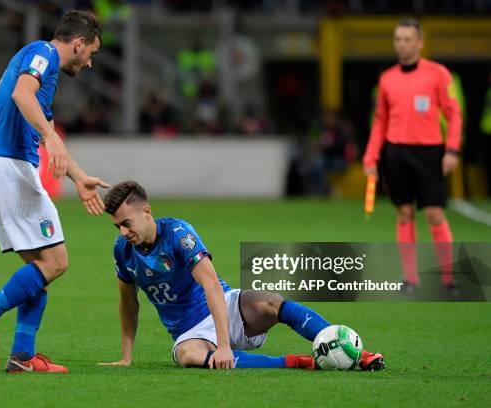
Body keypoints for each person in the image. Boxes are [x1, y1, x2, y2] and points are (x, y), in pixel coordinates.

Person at [0, 10, 110, 373]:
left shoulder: (47, 76)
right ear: (78, 44)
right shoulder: (41, 54)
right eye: (91, 53)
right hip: (11, 168)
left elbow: (37, 113)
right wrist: (50, 136)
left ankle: (23, 356)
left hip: (2, 167)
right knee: (56, 262)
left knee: (40, 268)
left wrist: (79, 177)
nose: (90, 63)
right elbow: (22, 93)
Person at [99, 181, 385, 370]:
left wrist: (224, 345)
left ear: (146, 212)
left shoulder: (178, 234)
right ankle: (299, 362)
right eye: (117, 227)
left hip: (225, 304)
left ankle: (358, 354)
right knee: (188, 356)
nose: (124, 232)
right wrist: (126, 357)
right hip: (189, 332)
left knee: (271, 302)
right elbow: (128, 304)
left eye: (126, 223)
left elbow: (211, 285)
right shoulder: (122, 250)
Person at [363, 19, 462, 293]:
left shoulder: (438, 74)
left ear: (419, 42)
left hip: (430, 152)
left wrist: (452, 149)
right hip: (396, 153)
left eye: (407, 39)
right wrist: (370, 158)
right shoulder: (387, 79)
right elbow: (380, 121)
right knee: (404, 214)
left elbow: (454, 115)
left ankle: (449, 278)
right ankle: (411, 279)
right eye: (397, 39)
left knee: (435, 215)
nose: (401, 44)